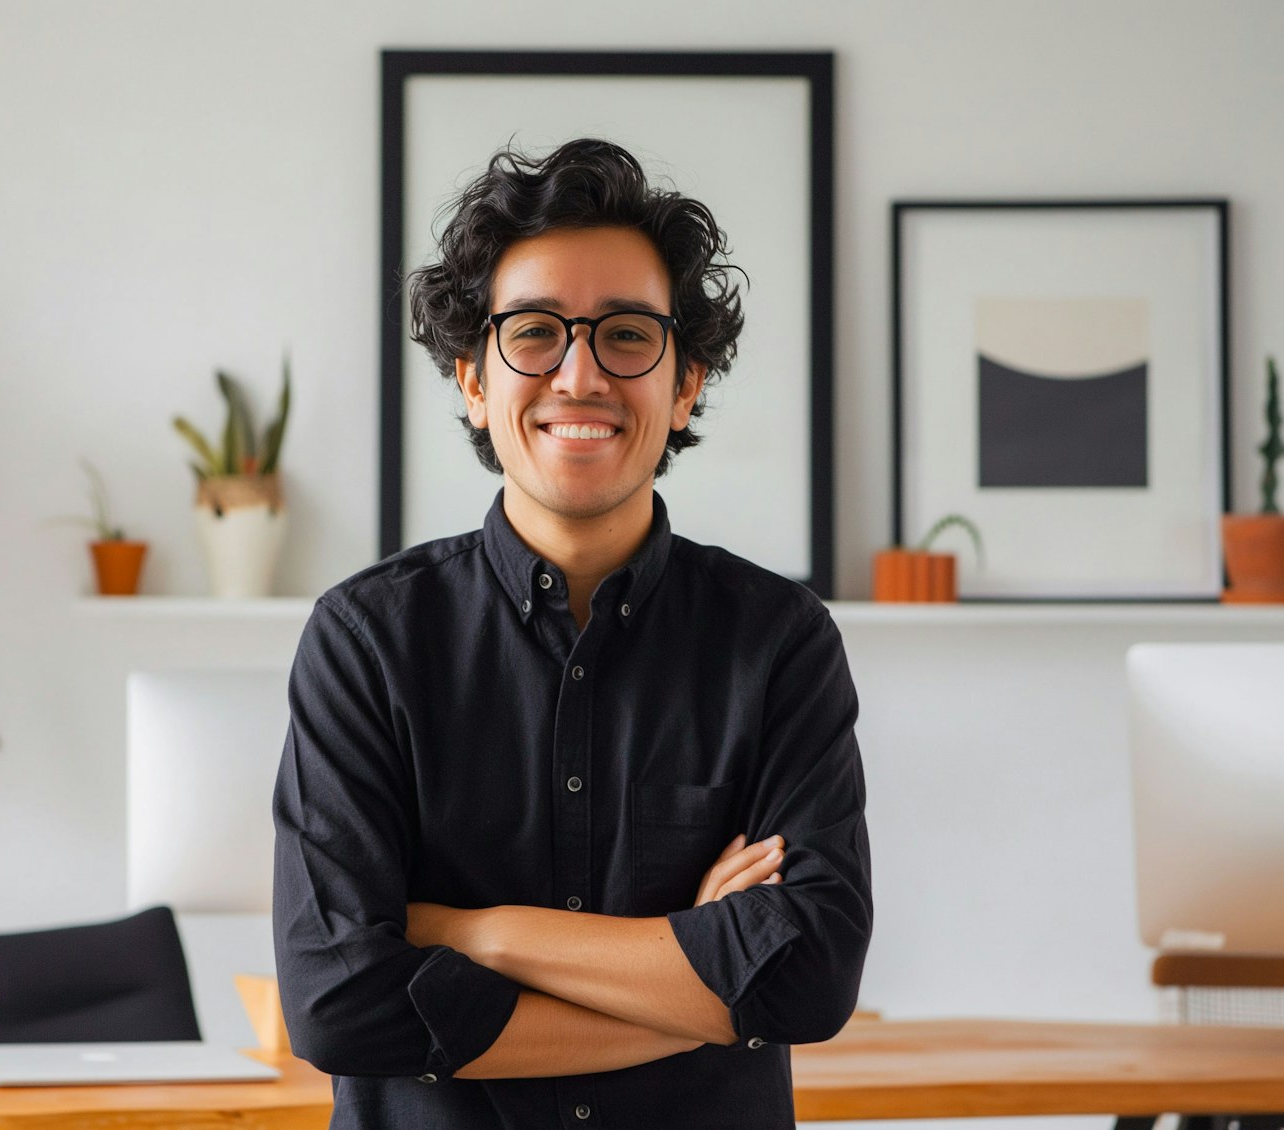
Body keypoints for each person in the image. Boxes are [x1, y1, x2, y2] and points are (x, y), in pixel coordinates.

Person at [273, 137, 871, 1130]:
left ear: (686, 383)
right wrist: (704, 979)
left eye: (628, 334)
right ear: (472, 376)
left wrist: (476, 932)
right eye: (537, 331)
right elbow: (340, 1003)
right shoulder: (365, 639)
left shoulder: (779, 641)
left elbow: (806, 977)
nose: (581, 373)